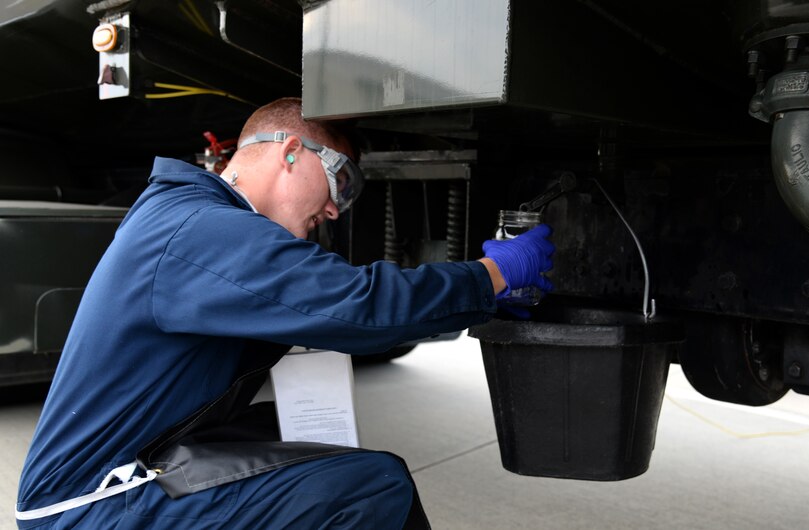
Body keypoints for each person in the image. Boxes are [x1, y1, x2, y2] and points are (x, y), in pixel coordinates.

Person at [16, 97, 554, 529]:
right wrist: (492, 274)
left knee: (310, 443)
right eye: (341, 183)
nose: (333, 210)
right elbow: (359, 306)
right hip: (89, 505)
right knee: (368, 487)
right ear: (291, 151)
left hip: (114, 475)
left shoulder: (189, 218)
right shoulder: (201, 229)